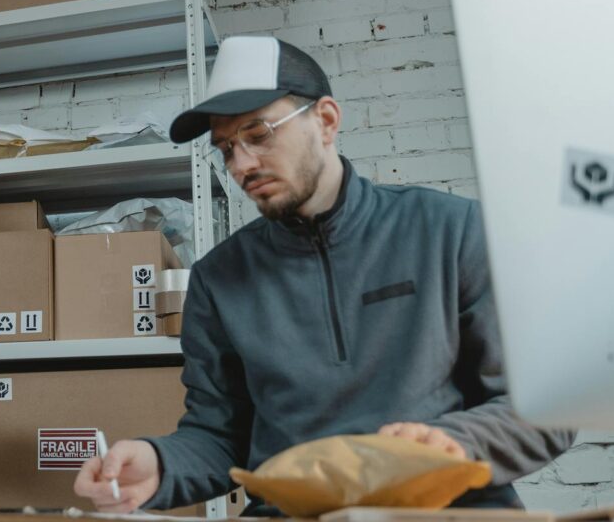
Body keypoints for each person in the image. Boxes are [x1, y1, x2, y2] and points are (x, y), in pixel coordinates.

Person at [73, 37, 574, 514]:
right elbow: (220, 437)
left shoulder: (452, 231)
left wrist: (457, 442)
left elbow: (545, 410)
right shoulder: (218, 280)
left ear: (326, 120)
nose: (242, 164)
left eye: (259, 134)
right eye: (226, 148)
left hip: (446, 511)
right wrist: (161, 464)